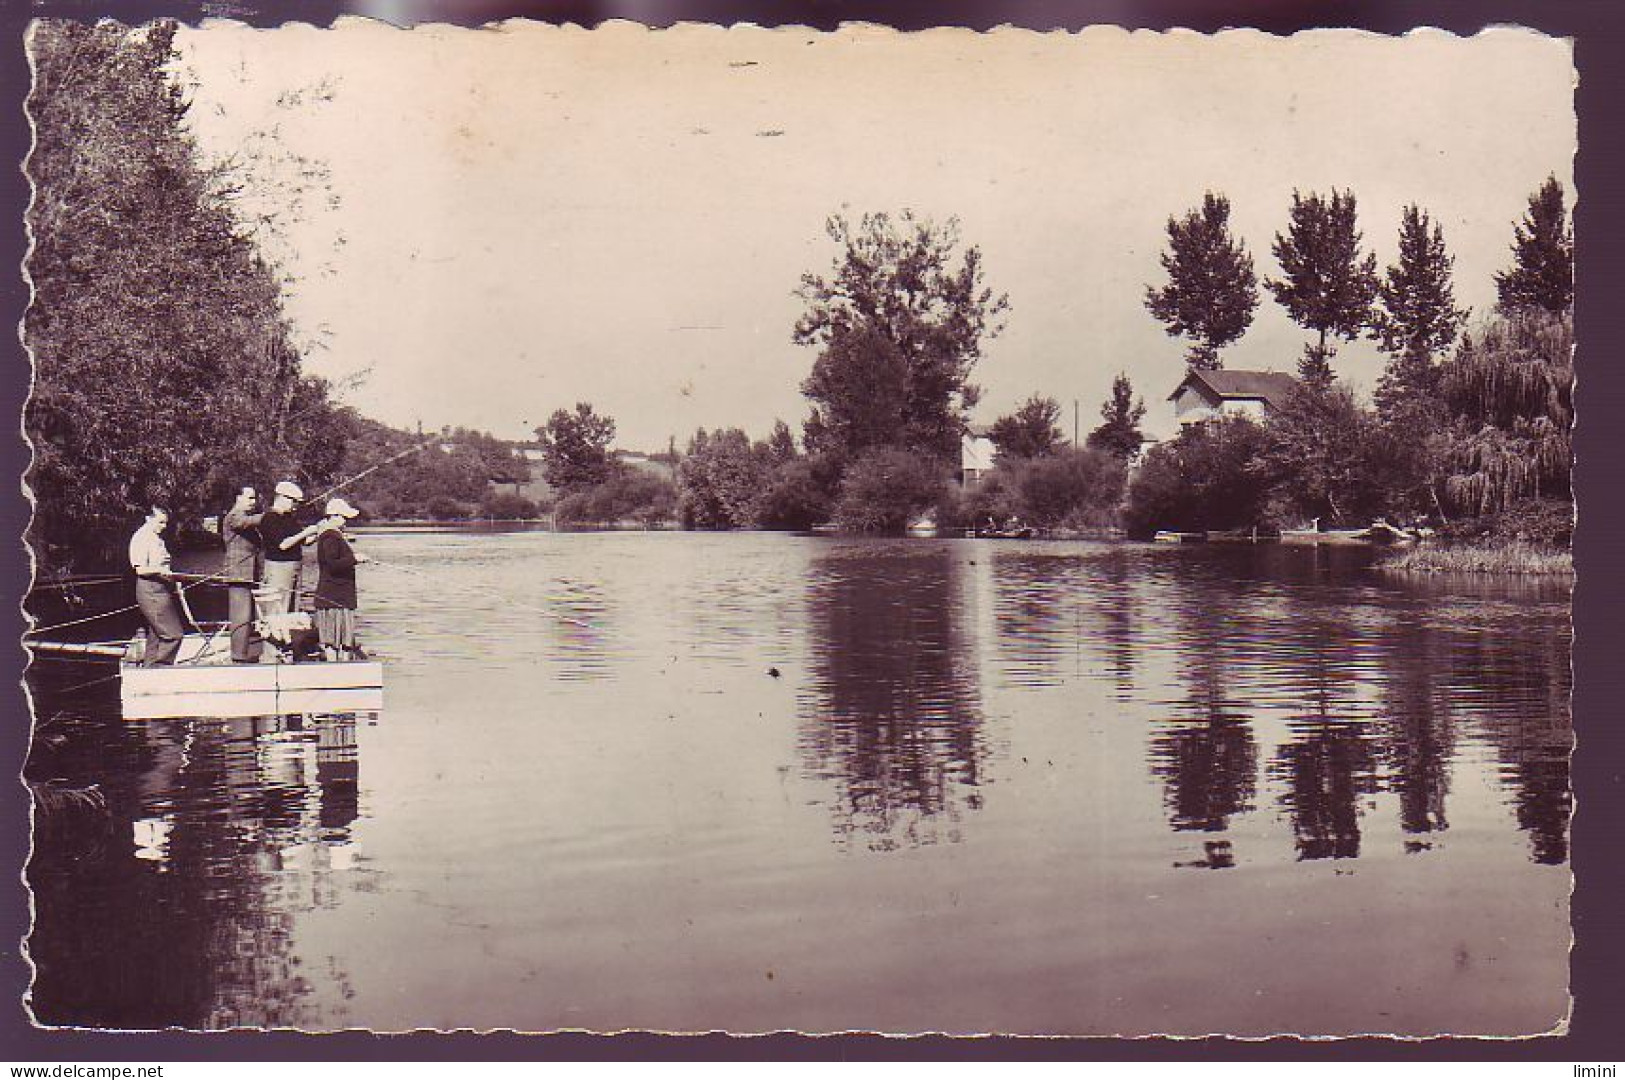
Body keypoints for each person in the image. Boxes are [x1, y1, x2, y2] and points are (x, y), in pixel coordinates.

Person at [312, 497, 368, 661]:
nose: (346, 521)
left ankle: (342, 664)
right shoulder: (330, 537)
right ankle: (335, 667)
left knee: (344, 640)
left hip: (340, 596)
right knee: (333, 640)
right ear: (334, 516)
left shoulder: (335, 535)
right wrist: (354, 559)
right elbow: (332, 565)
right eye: (344, 518)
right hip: (333, 597)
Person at [128, 506, 184, 666]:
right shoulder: (141, 538)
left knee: (156, 635)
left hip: (161, 589)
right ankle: (161, 669)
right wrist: (160, 570)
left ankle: (149, 668)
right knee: (174, 634)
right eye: (160, 522)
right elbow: (140, 569)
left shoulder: (155, 537)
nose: (164, 526)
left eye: (165, 523)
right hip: (150, 590)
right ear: (148, 518)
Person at [220, 486, 265, 663]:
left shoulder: (245, 517)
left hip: (248, 574)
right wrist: (271, 516)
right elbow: (245, 522)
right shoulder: (233, 516)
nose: (253, 502)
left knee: (248, 615)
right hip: (238, 574)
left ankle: (243, 653)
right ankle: (238, 657)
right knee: (241, 616)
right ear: (238, 498)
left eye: (254, 498)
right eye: (250, 498)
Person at [259, 480, 318, 613]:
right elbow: (283, 545)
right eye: (294, 501)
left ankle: (289, 632)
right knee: (277, 607)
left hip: (294, 567)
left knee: (293, 607)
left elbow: (305, 541)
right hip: (278, 569)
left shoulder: (289, 519)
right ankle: (274, 633)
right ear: (281, 498)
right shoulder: (270, 518)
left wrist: (320, 532)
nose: (296, 505)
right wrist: (306, 532)